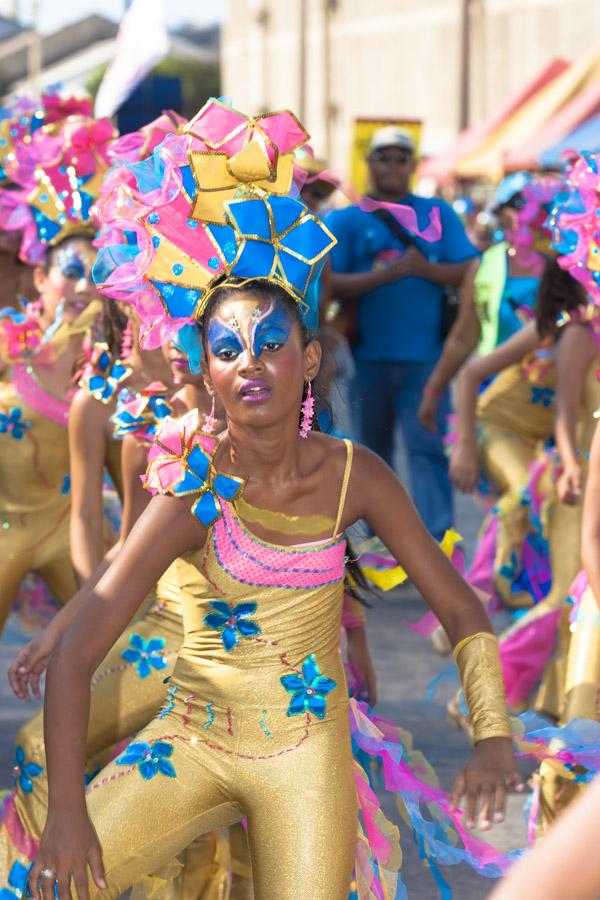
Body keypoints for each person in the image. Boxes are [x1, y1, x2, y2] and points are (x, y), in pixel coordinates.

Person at [26, 99, 521, 900]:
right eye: (226, 348)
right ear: (209, 373)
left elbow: (462, 610)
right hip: (189, 742)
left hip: (305, 759)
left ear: (311, 360)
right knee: (42, 882)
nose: (249, 362)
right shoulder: (197, 487)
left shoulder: (356, 475)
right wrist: (68, 819)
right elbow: (79, 649)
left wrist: (493, 736)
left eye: (270, 342)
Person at [327, 126, 479, 539]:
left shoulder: (437, 214)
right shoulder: (347, 219)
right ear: (370, 162)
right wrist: (386, 276)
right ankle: (382, 544)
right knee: (373, 457)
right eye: (383, 156)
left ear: (412, 165)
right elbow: (330, 283)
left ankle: (437, 543)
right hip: (368, 359)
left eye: (401, 157)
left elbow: (469, 267)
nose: (392, 164)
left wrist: (426, 270)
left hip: (426, 360)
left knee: (426, 452)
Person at [418, 172, 554, 433]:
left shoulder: (565, 266)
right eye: (518, 204)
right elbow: (463, 336)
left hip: (552, 394)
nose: (528, 212)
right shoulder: (485, 265)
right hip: (494, 393)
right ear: (501, 214)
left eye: (537, 204)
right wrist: (433, 391)